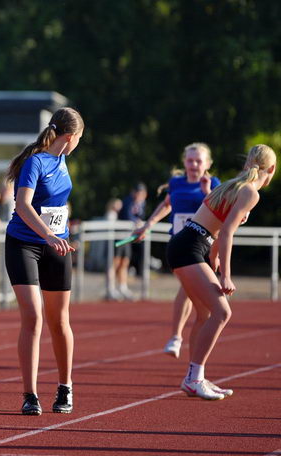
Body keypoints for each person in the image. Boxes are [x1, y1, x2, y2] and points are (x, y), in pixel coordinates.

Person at [164, 144, 274, 400]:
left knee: (204, 313)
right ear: (272, 169)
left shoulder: (232, 185)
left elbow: (213, 228)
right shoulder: (249, 192)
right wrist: (225, 274)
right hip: (190, 246)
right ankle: (194, 378)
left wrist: (212, 261)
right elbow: (225, 233)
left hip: (190, 244)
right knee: (222, 311)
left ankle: (194, 377)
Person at [4, 107, 83, 416]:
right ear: (70, 136)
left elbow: (57, 202)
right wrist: (49, 234)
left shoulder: (63, 161)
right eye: (79, 138)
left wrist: (61, 230)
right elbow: (23, 205)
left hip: (57, 247)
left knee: (59, 321)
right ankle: (30, 394)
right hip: (25, 244)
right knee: (33, 317)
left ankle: (65, 387)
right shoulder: (34, 162)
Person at [133, 143, 220, 357]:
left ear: (208, 164)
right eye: (190, 160)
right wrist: (148, 224)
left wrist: (207, 192)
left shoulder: (215, 184)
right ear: (184, 162)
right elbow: (167, 204)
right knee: (187, 289)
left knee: (202, 307)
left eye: (199, 161)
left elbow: (220, 212)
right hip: (181, 246)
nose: (194, 165)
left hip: (204, 245)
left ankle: (192, 358)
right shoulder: (176, 183)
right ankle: (177, 338)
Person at [111, 183, 147, 300]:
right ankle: (110, 288)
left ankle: (122, 287)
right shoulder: (128, 201)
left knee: (125, 262)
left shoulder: (142, 203)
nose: (139, 195)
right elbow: (127, 216)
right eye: (137, 192)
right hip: (118, 235)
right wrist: (137, 222)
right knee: (115, 262)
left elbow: (140, 216)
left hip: (127, 237)